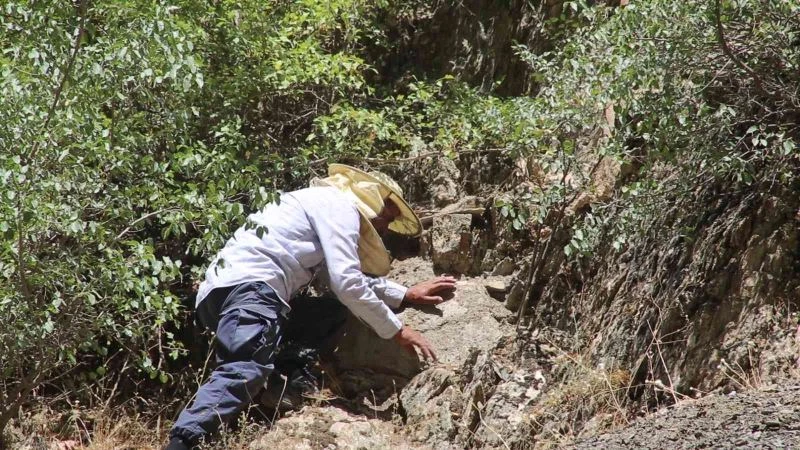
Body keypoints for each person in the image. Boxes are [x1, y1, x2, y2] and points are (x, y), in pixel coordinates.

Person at [165, 164, 456, 450]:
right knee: (244, 367)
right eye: (386, 214)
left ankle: (285, 381)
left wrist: (404, 293)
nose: (385, 225)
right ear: (372, 198)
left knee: (329, 313)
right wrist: (397, 330)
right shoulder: (339, 205)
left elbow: (339, 278)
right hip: (254, 291)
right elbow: (347, 283)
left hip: (220, 295)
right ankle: (182, 442)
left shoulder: (317, 203)